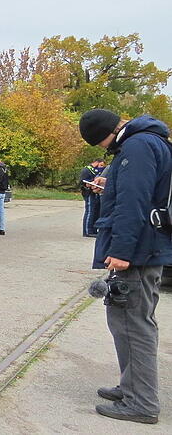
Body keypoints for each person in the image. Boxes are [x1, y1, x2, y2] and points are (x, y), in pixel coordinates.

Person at [79, 108, 172, 425]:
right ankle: (131, 387)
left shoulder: (136, 146)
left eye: (101, 144)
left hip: (138, 251)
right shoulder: (148, 141)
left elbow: (135, 201)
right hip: (146, 247)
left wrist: (121, 251)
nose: (105, 150)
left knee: (132, 324)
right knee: (129, 320)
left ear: (105, 134)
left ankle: (141, 402)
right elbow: (140, 191)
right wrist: (112, 181)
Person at [80, 158, 106, 237]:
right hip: (88, 193)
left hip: (95, 193)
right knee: (90, 211)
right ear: (96, 163)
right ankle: (87, 231)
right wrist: (89, 184)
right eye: (100, 165)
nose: (101, 167)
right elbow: (82, 182)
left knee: (96, 211)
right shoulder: (86, 170)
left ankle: (94, 229)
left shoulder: (96, 171)